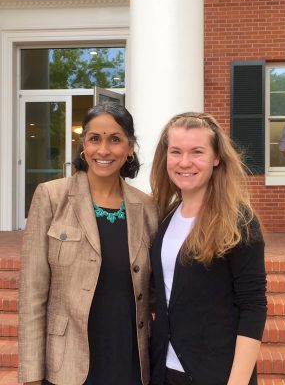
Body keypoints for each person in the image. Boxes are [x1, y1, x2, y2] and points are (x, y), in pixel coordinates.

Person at [18, 102, 158, 385]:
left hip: (129, 361)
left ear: (129, 148)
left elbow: (155, 291)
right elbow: (32, 294)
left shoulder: (146, 207)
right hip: (68, 365)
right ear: (84, 145)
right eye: (95, 139)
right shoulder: (51, 197)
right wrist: (32, 376)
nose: (103, 150)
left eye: (115, 140)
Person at [149, 112, 267, 385]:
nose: (185, 162)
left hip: (216, 373)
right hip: (164, 371)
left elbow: (253, 307)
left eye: (197, 152)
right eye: (176, 152)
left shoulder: (239, 221)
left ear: (216, 158)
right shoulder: (167, 217)